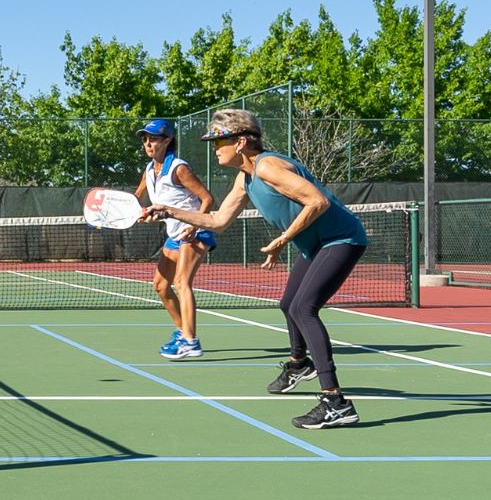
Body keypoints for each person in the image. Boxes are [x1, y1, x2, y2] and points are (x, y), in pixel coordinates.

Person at [143, 109, 367, 429]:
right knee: (288, 304)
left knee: (304, 309)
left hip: (342, 239)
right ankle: (299, 363)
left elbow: (318, 202)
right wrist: (169, 210)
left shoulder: (268, 167)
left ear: (241, 142)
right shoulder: (244, 179)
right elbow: (217, 221)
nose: (214, 148)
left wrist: (284, 238)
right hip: (315, 244)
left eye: (219, 141)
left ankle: (336, 403)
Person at [127, 119, 214, 360]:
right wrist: (133, 213)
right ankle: (182, 331)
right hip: (174, 234)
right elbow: (137, 198)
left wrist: (194, 224)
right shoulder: (148, 170)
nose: (148, 143)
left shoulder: (178, 169)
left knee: (181, 282)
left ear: (167, 140)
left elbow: (208, 199)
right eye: (145, 139)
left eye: (153, 138)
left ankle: (191, 341)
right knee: (160, 286)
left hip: (195, 230)